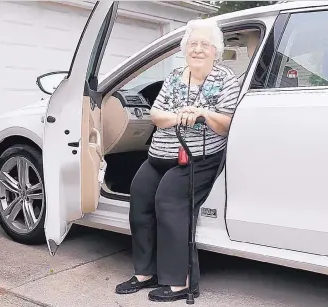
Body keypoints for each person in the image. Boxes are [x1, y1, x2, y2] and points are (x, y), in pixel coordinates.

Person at [114, 18, 240, 302]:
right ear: (185, 49)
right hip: (160, 155)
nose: (198, 49)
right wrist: (183, 116)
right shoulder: (174, 77)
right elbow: (156, 115)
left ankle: (180, 281)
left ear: (215, 50)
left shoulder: (225, 79)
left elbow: (225, 124)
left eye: (205, 44)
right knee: (141, 195)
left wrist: (202, 113)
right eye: (192, 44)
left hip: (199, 158)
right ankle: (145, 272)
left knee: (169, 201)